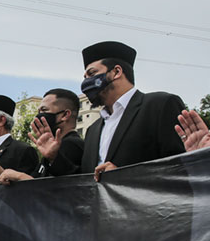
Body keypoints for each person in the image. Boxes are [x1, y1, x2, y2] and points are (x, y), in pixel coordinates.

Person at [77, 41, 185, 181]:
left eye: (92, 74)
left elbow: (180, 169)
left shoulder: (160, 106)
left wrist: (128, 179)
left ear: (116, 72)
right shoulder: (93, 130)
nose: (86, 82)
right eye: (84, 77)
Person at [27, 89, 87, 177]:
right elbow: (34, 180)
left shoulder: (71, 144)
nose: (39, 115)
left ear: (65, 115)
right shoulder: (53, 147)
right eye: (39, 112)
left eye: (44, 110)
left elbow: (62, 183)